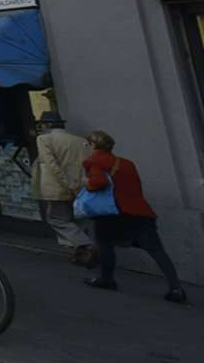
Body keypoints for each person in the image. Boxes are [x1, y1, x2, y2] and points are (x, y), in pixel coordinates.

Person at [80, 130, 187, 304]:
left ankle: (106, 279)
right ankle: (176, 287)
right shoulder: (127, 163)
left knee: (105, 245)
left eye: (87, 144)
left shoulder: (93, 161)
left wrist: (86, 182)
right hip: (139, 211)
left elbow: (98, 183)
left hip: (112, 213)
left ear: (93, 145)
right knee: (157, 250)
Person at [32, 110, 94, 265]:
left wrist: (66, 183)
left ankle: (86, 244)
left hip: (58, 188)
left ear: (48, 125)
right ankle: (81, 255)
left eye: (43, 125)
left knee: (57, 219)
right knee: (79, 220)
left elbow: (51, 165)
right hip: (81, 185)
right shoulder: (80, 140)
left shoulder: (44, 139)